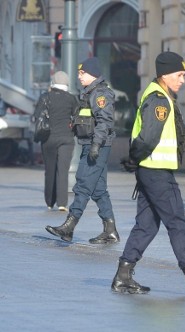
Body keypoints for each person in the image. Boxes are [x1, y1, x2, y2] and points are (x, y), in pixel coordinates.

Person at [114, 51, 185, 295]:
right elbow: (149, 136)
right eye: (180, 75)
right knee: (177, 223)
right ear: (165, 75)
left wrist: (136, 160)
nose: (182, 80)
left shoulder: (157, 94)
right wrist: (135, 157)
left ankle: (123, 275)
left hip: (150, 170)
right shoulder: (159, 100)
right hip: (156, 171)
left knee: (146, 226)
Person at [45, 58, 119, 244]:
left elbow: (104, 121)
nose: (79, 76)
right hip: (91, 143)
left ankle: (69, 226)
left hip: (97, 146)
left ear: (92, 74)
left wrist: (96, 145)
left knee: (83, 184)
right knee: (99, 190)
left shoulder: (100, 94)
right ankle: (110, 230)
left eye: (82, 73)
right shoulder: (89, 93)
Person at [34, 71, 78, 211]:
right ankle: (62, 203)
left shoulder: (45, 97)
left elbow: (37, 115)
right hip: (66, 138)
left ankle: (49, 201)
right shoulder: (71, 98)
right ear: (66, 84)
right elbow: (77, 117)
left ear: (53, 82)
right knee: (63, 170)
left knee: (50, 170)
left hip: (48, 139)